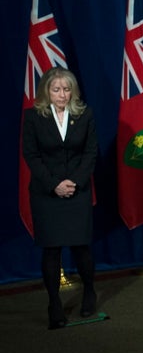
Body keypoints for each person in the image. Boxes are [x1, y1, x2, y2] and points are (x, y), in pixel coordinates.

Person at [22, 67, 98, 329]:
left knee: (81, 247)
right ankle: (54, 302)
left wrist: (74, 182)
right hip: (47, 193)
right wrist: (54, 184)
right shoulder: (33, 117)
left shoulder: (84, 114)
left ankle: (89, 292)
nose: (62, 94)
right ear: (46, 91)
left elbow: (90, 153)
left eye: (66, 89)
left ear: (72, 91)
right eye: (56, 90)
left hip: (77, 191)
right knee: (52, 249)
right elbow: (31, 156)